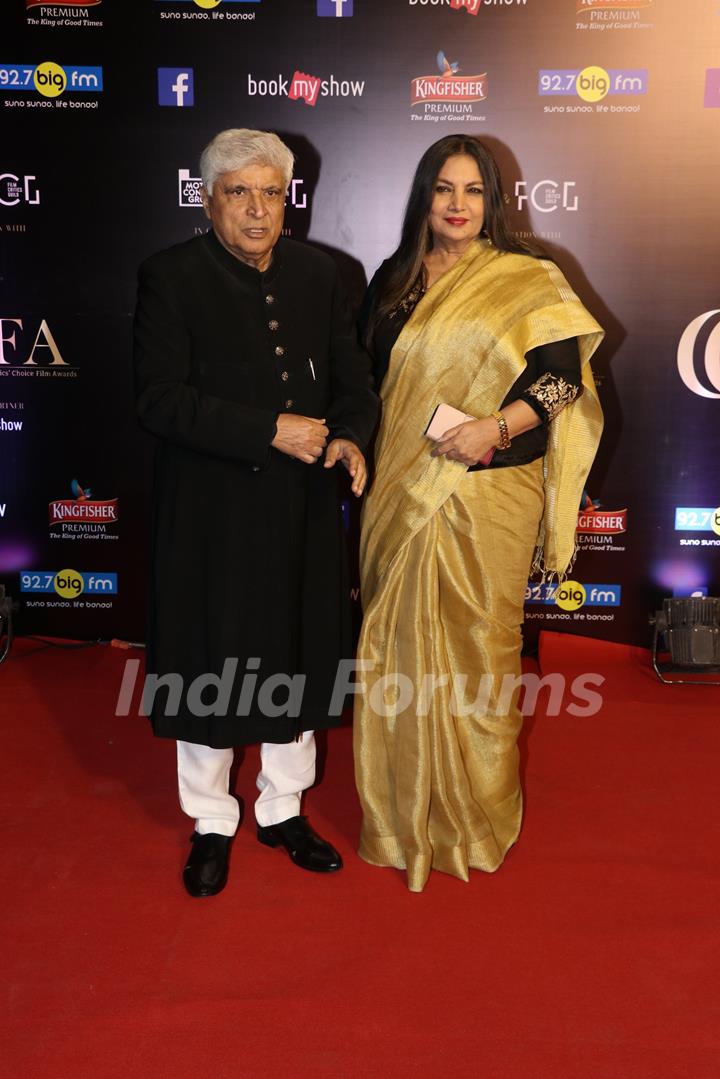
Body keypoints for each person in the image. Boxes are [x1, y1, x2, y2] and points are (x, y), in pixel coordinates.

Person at [354, 136, 604, 893]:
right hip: (403, 487)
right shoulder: (392, 281)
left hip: (492, 486)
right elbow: (367, 383)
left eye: (472, 190)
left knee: (482, 647)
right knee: (393, 648)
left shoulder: (528, 279)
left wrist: (494, 428)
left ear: (493, 200)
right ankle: (399, 815)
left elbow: (564, 382)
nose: (457, 205)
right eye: (442, 189)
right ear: (423, 198)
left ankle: (477, 815)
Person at [134, 128, 379, 897]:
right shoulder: (169, 276)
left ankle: (282, 807)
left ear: (287, 198)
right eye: (238, 192)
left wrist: (347, 436)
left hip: (301, 507)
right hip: (210, 512)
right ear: (207, 199)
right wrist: (269, 428)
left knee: (295, 658)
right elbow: (158, 400)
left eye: (270, 192)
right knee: (212, 660)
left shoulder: (323, 273)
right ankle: (211, 818)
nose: (256, 210)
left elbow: (354, 379)